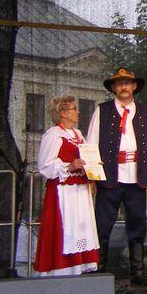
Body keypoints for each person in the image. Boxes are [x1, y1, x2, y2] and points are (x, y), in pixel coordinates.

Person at [87, 68, 147, 287]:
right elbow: (91, 143)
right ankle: (99, 269)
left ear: (134, 86)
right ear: (113, 88)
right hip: (110, 176)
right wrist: (92, 176)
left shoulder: (143, 112)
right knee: (103, 224)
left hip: (136, 176)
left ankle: (137, 273)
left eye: (127, 83)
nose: (124, 87)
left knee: (137, 225)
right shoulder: (102, 111)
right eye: (119, 84)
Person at [34, 96, 99, 276]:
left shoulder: (78, 134)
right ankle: (61, 268)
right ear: (63, 113)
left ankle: (79, 265)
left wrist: (93, 171)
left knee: (80, 226)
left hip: (80, 189)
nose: (77, 112)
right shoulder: (54, 134)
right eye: (73, 109)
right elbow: (45, 165)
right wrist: (70, 166)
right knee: (65, 227)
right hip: (63, 190)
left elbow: (87, 158)